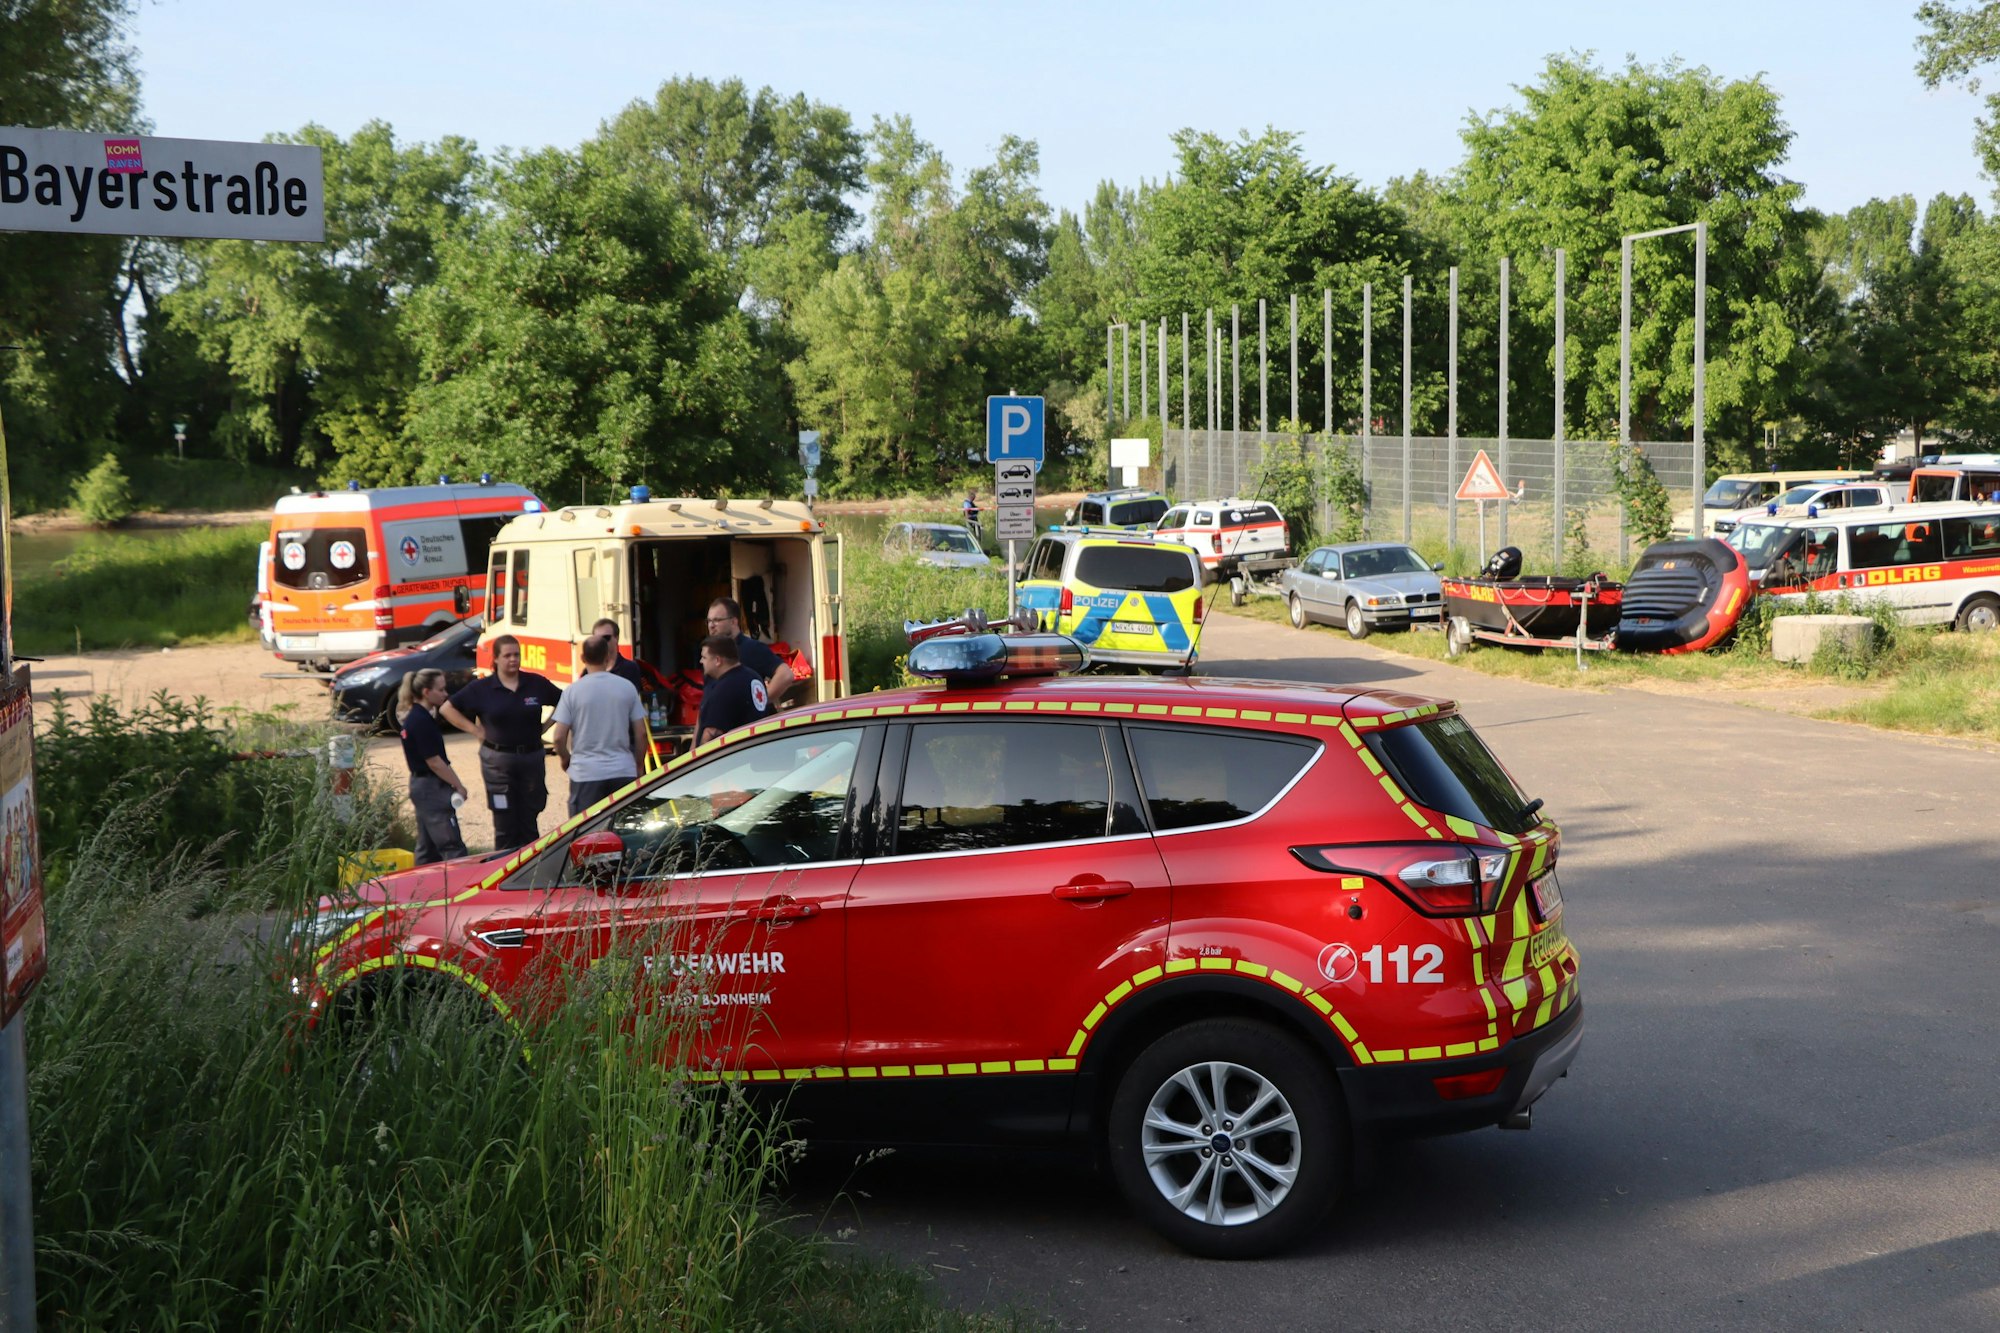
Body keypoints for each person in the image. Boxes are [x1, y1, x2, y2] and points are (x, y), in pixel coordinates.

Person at [441, 634, 561, 852]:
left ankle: (531, 869)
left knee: (529, 818)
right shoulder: (482, 688)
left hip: (531, 758)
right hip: (498, 762)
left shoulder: (535, 683)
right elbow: (447, 708)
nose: (513, 659)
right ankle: (504, 869)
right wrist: (475, 730)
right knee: (504, 822)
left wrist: (546, 727)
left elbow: (566, 702)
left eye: (516, 655)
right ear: (495, 659)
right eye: (507, 655)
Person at [552, 634, 649, 817]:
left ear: (582, 659)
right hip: (622, 770)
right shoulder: (626, 687)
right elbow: (641, 733)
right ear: (607, 657)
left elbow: (558, 737)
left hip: (585, 774)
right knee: (624, 831)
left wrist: (566, 759)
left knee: (586, 836)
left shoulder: (573, 691)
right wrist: (637, 764)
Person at [397, 668, 469, 864]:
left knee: (427, 848)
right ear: (426, 692)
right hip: (431, 787)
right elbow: (435, 762)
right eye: (441, 690)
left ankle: (420, 889)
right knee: (451, 845)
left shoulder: (418, 717)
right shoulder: (420, 722)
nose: (446, 694)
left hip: (421, 786)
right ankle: (462, 885)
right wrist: (458, 785)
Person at [706, 597, 794, 704]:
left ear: (733, 621)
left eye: (717, 620)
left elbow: (785, 675)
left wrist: (760, 703)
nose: (711, 626)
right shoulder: (709, 654)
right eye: (709, 621)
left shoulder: (752, 648)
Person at [695, 634, 772, 743]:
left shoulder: (723, 690)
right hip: (758, 748)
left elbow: (712, 734)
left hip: (736, 756)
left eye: (704, 657)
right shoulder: (754, 677)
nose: (701, 661)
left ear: (717, 660)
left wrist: (699, 756)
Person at [590, 616, 647, 692]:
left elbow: (631, 698)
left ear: (616, 638)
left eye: (606, 638)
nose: (601, 642)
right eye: (597, 638)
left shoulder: (630, 668)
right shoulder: (588, 670)